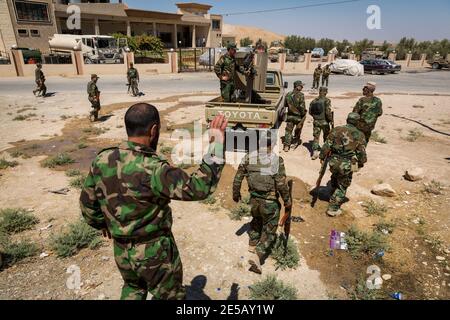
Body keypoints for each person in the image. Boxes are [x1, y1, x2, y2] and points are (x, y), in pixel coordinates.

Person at [80, 104, 227, 300]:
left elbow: (88, 205)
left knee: (132, 288)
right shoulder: (154, 168)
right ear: (154, 130)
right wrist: (216, 143)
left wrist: (103, 224)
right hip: (154, 252)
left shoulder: (102, 159)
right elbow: (199, 186)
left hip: (121, 249)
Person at [232, 134, 291, 274]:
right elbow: (281, 184)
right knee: (270, 229)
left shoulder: (248, 158)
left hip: (253, 200)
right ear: (273, 144)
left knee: (256, 219)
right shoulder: (276, 160)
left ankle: (252, 244)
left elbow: (238, 177)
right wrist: (287, 201)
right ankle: (258, 256)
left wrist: (236, 194)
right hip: (269, 201)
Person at [319, 113, 367, 217]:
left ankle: (332, 194)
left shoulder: (336, 130)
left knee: (335, 176)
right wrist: (361, 163)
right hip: (347, 164)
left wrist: (322, 157)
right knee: (343, 186)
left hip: (333, 161)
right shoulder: (360, 134)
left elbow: (327, 145)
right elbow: (361, 153)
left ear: (347, 119)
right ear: (358, 122)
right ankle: (333, 208)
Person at [309, 87, 333, 160]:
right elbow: (327, 112)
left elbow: (310, 112)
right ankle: (326, 152)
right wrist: (330, 120)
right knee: (326, 137)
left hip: (316, 121)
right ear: (325, 92)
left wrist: (315, 117)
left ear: (319, 92)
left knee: (316, 137)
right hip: (324, 122)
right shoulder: (327, 100)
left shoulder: (313, 101)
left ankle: (315, 153)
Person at [283, 80, 306, 152]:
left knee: (288, 131)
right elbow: (302, 107)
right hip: (298, 117)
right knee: (298, 130)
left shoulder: (288, 94)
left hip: (290, 116)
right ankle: (295, 142)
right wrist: (303, 115)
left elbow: (285, 105)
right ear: (297, 87)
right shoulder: (301, 95)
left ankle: (286, 145)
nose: (302, 87)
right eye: (301, 86)